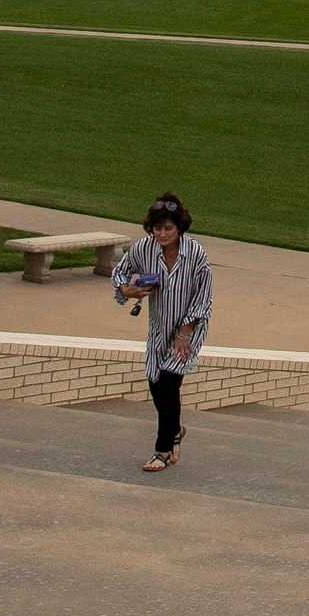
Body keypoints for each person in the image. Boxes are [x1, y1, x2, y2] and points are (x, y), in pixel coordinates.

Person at [112, 192, 213, 473]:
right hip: (159, 328)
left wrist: (185, 332)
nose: (163, 233)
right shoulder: (143, 249)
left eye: (168, 228)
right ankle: (176, 429)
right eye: (158, 228)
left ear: (179, 228)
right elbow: (119, 273)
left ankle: (162, 450)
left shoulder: (195, 253)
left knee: (169, 383)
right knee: (156, 386)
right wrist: (127, 290)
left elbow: (203, 296)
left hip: (188, 329)